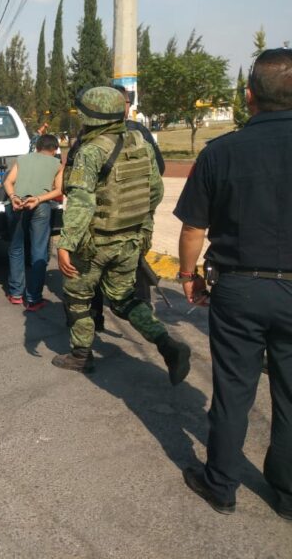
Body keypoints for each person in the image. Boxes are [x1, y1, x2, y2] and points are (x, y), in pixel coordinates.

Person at [174, 48, 292, 521]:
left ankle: (221, 484)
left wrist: (187, 276)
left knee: (233, 389)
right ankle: (285, 493)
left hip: (239, 288)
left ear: (248, 96)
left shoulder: (221, 151)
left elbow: (191, 230)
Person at [53, 86, 190, 383]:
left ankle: (80, 356)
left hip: (94, 243)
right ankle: (167, 344)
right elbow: (155, 191)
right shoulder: (140, 141)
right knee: (124, 298)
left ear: (91, 117)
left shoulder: (90, 151)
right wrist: (143, 229)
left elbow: (81, 201)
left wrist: (65, 244)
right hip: (130, 241)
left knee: (78, 296)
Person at [86, 85, 165, 331]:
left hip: (101, 226)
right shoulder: (140, 135)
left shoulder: (90, 138)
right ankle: (144, 316)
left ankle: (93, 324)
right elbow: (157, 178)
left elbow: (76, 185)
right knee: (132, 268)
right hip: (134, 222)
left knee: (89, 279)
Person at [3, 133, 64, 312]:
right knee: (38, 250)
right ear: (54, 150)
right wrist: (38, 199)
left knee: (16, 248)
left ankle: (15, 293)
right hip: (40, 206)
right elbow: (59, 190)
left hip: (16, 204)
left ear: (36, 147)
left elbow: (8, 181)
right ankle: (33, 299)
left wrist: (14, 197)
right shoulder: (57, 164)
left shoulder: (22, 159)